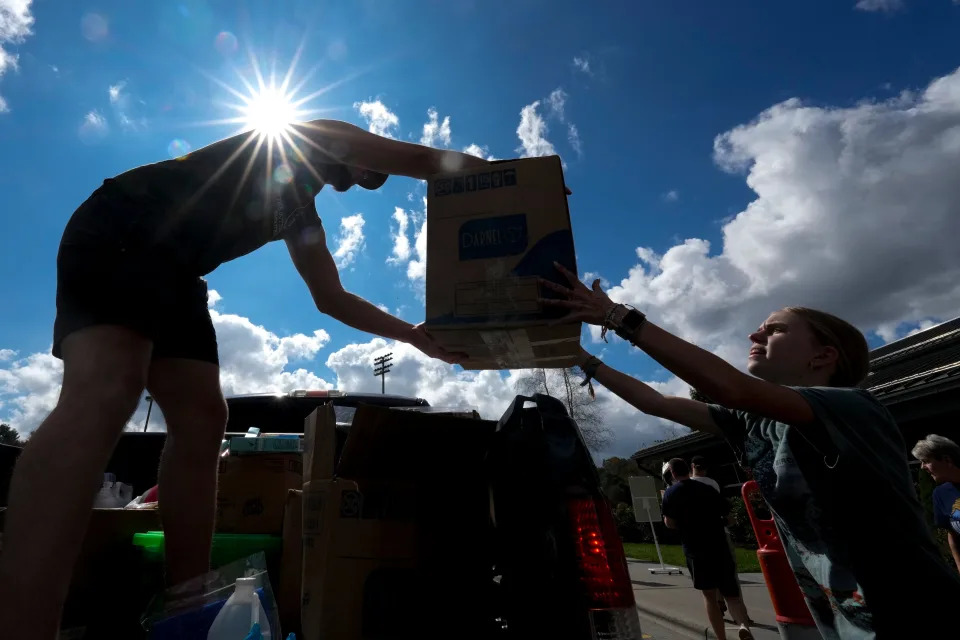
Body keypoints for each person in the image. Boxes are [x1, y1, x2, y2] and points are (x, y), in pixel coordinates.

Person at [0, 119, 491, 638]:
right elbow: (424, 162)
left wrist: (412, 335)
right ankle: (23, 623)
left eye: (372, 174)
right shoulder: (308, 134)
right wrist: (510, 181)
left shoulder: (300, 212)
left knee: (204, 415)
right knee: (108, 388)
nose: (370, 171)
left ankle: (184, 609)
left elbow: (331, 297)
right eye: (371, 164)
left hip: (177, 270)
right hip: (126, 222)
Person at [541, 262, 960, 638]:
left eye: (775, 329)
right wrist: (581, 358)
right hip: (842, 622)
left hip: (918, 614)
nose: (754, 334)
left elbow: (730, 386)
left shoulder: (851, 406)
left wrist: (616, 316)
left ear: (823, 356)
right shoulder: (752, 420)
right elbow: (657, 403)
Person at [661, 458, 754, 640]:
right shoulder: (708, 489)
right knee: (732, 594)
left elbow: (670, 523)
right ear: (689, 469)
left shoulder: (671, 494)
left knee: (710, 596)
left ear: (672, 474)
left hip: (695, 548)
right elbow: (730, 517)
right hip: (719, 545)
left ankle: (721, 637)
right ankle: (743, 625)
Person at [912, 434, 960, 574]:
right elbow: (953, 536)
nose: (922, 467)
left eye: (926, 461)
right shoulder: (940, 494)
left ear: (947, 460)